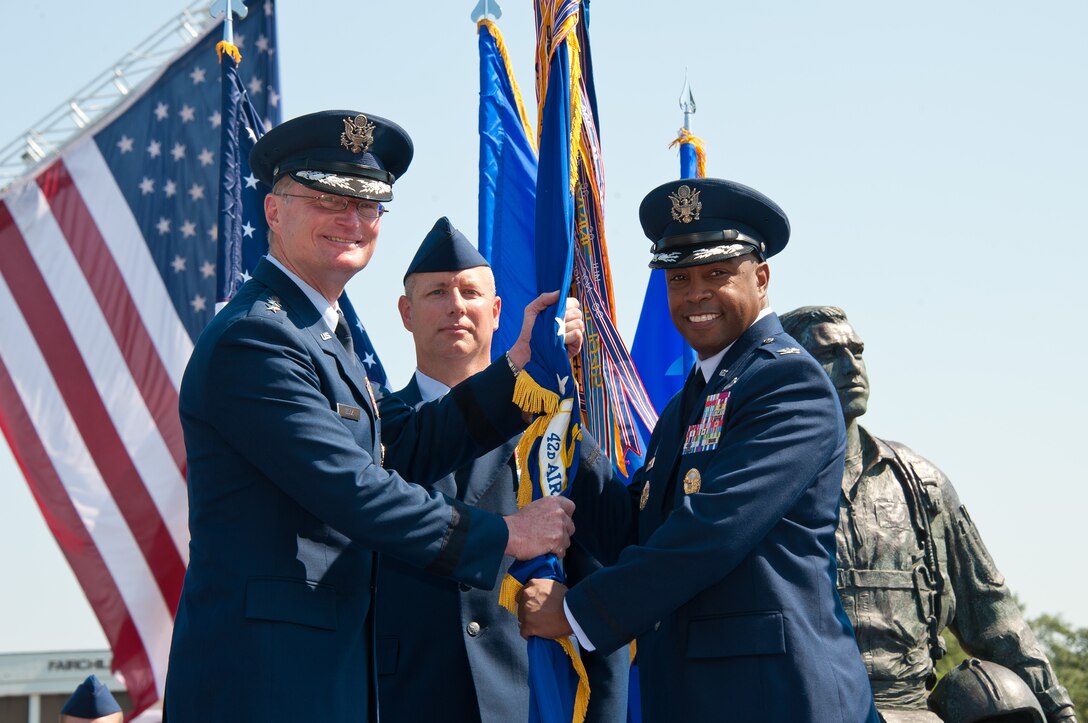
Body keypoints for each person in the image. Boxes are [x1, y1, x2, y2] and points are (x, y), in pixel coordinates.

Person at [163, 110, 583, 723]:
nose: (352, 220)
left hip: (321, 675)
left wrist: (519, 371)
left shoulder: (320, 337)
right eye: (328, 199)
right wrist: (507, 535)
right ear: (274, 211)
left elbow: (397, 454)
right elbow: (352, 488)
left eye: (368, 205)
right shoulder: (256, 339)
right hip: (264, 681)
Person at [518, 178, 878, 722]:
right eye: (678, 278)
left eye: (716, 274)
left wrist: (575, 613)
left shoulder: (786, 383)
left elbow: (714, 528)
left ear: (761, 278)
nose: (695, 295)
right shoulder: (695, 398)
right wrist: (560, 417)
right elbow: (635, 526)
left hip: (776, 698)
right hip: (700, 694)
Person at [374, 217, 628, 723]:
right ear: (405, 312)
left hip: (531, 699)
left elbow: (615, 559)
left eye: (470, 292)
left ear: (496, 311)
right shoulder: (374, 429)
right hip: (403, 699)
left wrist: (570, 608)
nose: (455, 306)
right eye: (437, 293)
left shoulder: (552, 428)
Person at [779, 305, 1077, 723]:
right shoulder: (762, 480)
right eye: (830, 354)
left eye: (858, 352)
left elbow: (993, 614)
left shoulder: (922, 482)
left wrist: (1058, 709)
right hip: (804, 707)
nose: (852, 367)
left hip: (911, 711)